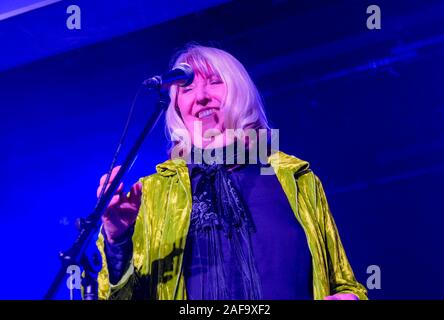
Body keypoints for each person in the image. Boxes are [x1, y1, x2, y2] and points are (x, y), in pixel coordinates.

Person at [95, 44, 368, 300]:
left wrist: (350, 296)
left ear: (241, 91)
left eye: (214, 82)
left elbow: (342, 282)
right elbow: (119, 295)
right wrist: (118, 240)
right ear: (176, 108)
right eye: (186, 89)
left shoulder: (295, 179)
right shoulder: (153, 194)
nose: (201, 97)